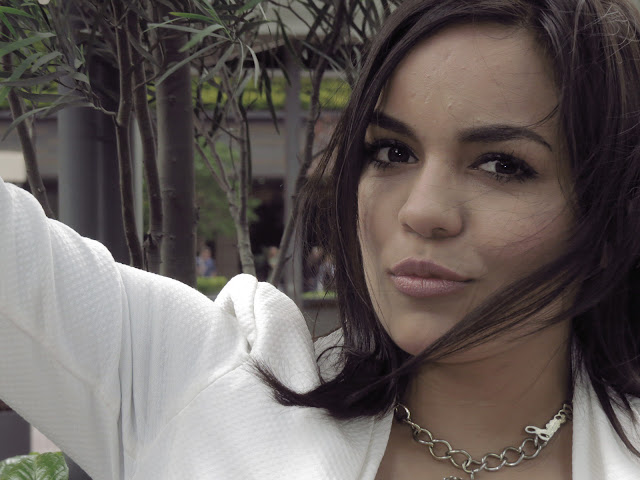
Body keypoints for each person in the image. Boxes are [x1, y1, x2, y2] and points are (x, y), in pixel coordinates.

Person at [2, 1, 640, 479]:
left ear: (611, 218)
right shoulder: (195, 384)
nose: (422, 211)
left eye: (501, 165)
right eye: (391, 152)